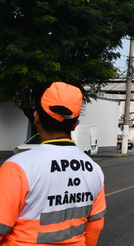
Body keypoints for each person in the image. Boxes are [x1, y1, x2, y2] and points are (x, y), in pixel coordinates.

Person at [0, 82, 106, 245]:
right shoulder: (94, 170)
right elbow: (95, 227)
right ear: (75, 124)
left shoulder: (18, 167)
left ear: (36, 117)